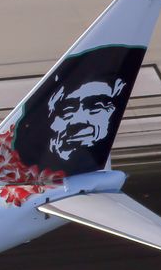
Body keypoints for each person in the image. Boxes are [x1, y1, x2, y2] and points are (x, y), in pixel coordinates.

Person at [12, 44, 145, 176]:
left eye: (96, 106)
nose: (79, 120)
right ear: (50, 119)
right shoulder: (25, 158)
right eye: (67, 110)